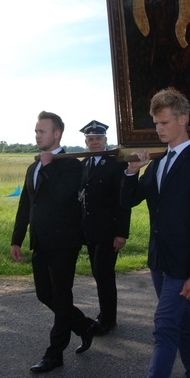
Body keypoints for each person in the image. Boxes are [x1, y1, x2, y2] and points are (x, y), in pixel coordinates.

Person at [120, 88, 190, 378]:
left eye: (164, 123)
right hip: (159, 261)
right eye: (156, 123)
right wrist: (131, 171)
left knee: (164, 326)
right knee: (181, 322)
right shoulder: (159, 163)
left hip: (183, 264)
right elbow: (129, 200)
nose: (159, 129)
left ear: (183, 119)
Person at [11, 111, 99, 373]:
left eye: (41, 131)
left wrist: (49, 167)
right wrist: (17, 239)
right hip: (40, 241)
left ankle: (54, 354)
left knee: (61, 296)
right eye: (36, 131)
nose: (37, 135)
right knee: (44, 294)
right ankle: (84, 326)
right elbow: (26, 204)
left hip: (64, 241)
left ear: (56, 134)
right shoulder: (33, 166)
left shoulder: (72, 164)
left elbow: (64, 194)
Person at [78, 119, 131, 335]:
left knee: (104, 273)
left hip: (109, 230)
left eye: (98, 138)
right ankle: (105, 312)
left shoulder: (116, 164)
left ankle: (109, 319)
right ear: (86, 141)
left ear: (105, 140)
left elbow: (123, 201)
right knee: (97, 273)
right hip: (90, 230)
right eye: (90, 139)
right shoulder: (84, 164)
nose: (94, 142)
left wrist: (121, 233)